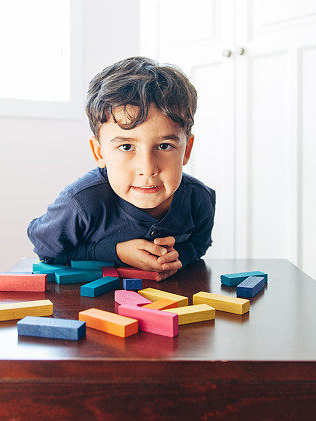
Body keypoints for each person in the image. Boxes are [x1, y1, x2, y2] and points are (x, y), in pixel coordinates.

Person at [27, 56, 216, 281]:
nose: (147, 169)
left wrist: (179, 256)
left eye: (164, 146)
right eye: (126, 146)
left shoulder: (199, 198)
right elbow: (46, 249)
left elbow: (198, 245)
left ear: (186, 150)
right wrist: (115, 253)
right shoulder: (79, 203)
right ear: (99, 152)